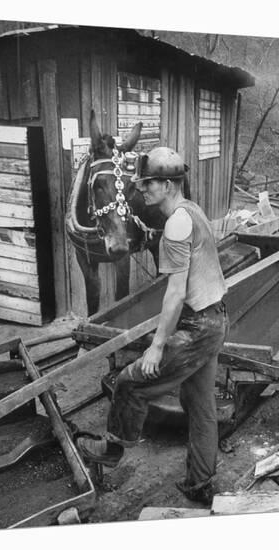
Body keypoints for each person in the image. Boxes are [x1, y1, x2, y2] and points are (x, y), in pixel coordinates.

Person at [77, 147, 230, 505]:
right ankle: (199, 483)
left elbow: (175, 292)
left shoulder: (177, 223)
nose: (140, 189)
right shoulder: (190, 210)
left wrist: (158, 345)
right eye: (140, 183)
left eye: (147, 183)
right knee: (200, 404)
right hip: (216, 318)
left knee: (130, 383)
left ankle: (111, 450)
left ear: (168, 183)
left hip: (197, 327)